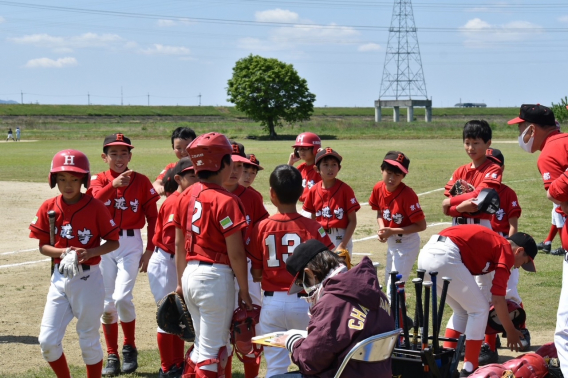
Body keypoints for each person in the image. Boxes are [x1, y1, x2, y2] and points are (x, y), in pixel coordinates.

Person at [29, 150, 120, 378]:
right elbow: (42, 246)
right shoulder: (49, 206)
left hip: (88, 279)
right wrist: (63, 251)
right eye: (62, 179)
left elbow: (113, 241)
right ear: (54, 180)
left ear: (83, 180)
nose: (67, 185)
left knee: (88, 338)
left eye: (74, 179)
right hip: (60, 278)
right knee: (47, 341)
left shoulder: (96, 206)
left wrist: (90, 252)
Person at [174, 132, 253, 378]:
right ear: (222, 163)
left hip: (190, 274)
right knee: (214, 350)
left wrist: (179, 282)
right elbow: (236, 253)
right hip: (214, 278)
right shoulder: (226, 200)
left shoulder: (185, 194)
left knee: (200, 347)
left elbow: (178, 244)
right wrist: (244, 289)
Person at [247, 165, 334, 378]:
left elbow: (256, 274)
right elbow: (330, 268)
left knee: (275, 367)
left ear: (272, 193)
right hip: (304, 302)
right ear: (301, 193)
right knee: (311, 365)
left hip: (272, 303)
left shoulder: (261, 227)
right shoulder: (312, 226)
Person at [418, 225, 537, 377]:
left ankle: (444, 365)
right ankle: (469, 368)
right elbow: (498, 299)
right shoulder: (506, 251)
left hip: (427, 255)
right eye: (524, 261)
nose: (519, 266)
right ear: (519, 250)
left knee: (462, 311)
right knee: (479, 309)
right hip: (445, 256)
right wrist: (510, 330)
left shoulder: (495, 243)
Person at [87, 133, 160, 376]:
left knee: (121, 298)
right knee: (107, 304)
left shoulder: (141, 181)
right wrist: (112, 186)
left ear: (130, 156)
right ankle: (112, 354)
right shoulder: (98, 180)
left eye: (124, 153)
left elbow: (153, 217)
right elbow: (90, 203)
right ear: (104, 157)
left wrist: (150, 249)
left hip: (130, 243)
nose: (119, 158)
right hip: (104, 245)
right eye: (114, 153)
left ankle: (129, 346)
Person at [269, 239, 395, 378]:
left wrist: (292, 342)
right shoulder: (377, 293)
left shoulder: (332, 303)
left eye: (302, 283)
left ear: (310, 274)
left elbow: (310, 362)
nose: (305, 290)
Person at [508, 103, 568, 377]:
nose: (520, 133)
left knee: (565, 331)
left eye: (521, 128)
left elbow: (560, 197)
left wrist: (554, 193)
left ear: (532, 129)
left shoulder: (550, 153)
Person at [148, 157, 198, 377]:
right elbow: (172, 242)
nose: (196, 180)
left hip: (177, 261)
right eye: (191, 175)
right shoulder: (175, 200)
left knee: (182, 316)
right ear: (179, 178)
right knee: (169, 314)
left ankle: (177, 364)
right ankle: (168, 368)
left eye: (199, 174)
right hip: (167, 262)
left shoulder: (192, 198)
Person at [223, 141, 268, 378]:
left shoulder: (252, 196)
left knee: (249, 323)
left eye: (240, 165)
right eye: (231, 163)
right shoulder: (210, 192)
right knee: (222, 327)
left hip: (248, 265)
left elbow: (264, 228)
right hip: (218, 267)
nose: (236, 170)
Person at [479, 148, 528, 365]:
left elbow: (513, 228)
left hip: (503, 248)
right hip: (483, 249)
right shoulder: (477, 192)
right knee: (484, 296)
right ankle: (489, 344)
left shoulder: (508, 193)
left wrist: (505, 251)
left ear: (502, 168)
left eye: (494, 164)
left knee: (508, 292)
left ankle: (520, 330)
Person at [368, 151, 426, 301]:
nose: (392, 178)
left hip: (407, 243)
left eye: (398, 174)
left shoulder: (408, 195)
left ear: (403, 176)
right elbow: (380, 212)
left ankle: (396, 321)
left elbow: (421, 225)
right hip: (392, 242)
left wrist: (391, 230)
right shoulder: (378, 188)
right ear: (382, 169)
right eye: (389, 172)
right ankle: (399, 317)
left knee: (393, 287)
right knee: (390, 282)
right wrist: (382, 228)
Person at [442, 120, 502, 228]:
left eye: (476, 143)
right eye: (467, 143)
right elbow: (447, 211)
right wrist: (460, 208)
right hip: (457, 226)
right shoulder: (459, 171)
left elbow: (478, 196)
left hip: (480, 226)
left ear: (488, 143)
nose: (470, 148)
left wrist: (449, 202)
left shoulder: (493, 169)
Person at [302, 147, 360, 256]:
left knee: (341, 272)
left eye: (334, 164)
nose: (330, 168)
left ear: (339, 168)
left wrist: (343, 244)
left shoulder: (345, 190)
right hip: (321, 236)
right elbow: (313, 219)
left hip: (341, 236)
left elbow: (352, 221)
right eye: (326, 164)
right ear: (316, 169)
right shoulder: (313, 190)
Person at [153, 127, 196, 196]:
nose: (183, 152)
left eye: (187, 147)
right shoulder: (171, 167)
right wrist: (159, 187)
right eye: (178, 148)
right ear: (173, 147)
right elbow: (157, 183)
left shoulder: (202, 166)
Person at [287, 132, 322, 217]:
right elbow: (284, 182)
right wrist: (290, 164)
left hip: (318, 208)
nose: (301, 151)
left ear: (315, 149)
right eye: (299, 149)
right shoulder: (301, 168)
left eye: (305, 148)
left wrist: (322, 156)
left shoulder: (320, 168)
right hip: (305, 208)